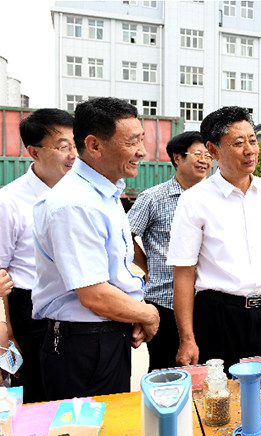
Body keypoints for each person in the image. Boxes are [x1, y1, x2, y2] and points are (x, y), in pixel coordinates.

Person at [32, 98, 160, 401]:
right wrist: (147, 314)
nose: (142, 151)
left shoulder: (106, 193)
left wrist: (132, 312)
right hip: (82, 347)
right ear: (94, 145)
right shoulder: (75, 203)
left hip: (106, 336)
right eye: (132, 142)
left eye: (141, 140)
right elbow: (93, 293)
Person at [167, 106, 261, 369]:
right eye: (238, 143)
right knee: (221, 398)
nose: (249, 150)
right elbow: (184, 272)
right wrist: (187, 338)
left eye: (252, 140)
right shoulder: (194, 200)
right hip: (219, 318)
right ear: (213, 151)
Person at [0, 109, 76, 403]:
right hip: (31, 310)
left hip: (78, 302)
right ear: (34, 151)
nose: (72, 155)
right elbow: (2, 270)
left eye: (75, 145)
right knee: (41, 389)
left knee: (74, 390)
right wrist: (11, 331)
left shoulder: (80, 193)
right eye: (62, 147)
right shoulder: (10, 201)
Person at [128, 131, 210, 371]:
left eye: (208, 155)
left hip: (206, 304)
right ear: (177, 158)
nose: (204, 160)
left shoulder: (212, 199)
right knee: (167, 373)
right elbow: (125, 237)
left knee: (206, 375)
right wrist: (147, 268)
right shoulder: (152, 198)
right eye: (197, 154)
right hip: (165, 302)